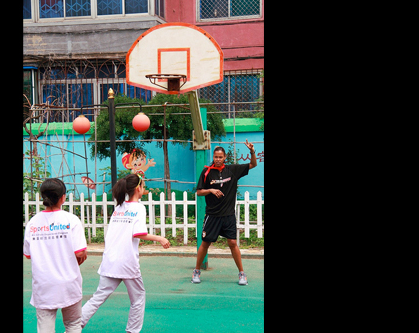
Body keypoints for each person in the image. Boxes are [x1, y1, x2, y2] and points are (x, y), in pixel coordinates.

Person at [81, 174, 170, 333]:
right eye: (143, 186)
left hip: (111, 260)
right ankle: (132, 331)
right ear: (138, 188)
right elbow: (138, 234)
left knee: (97, 298)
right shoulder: (139, 208)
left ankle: (74, 328)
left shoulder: (119, 208)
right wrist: (160, 238)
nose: (144, 189)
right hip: (127, 262)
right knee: (138, 299)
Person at [23, 178, 88, 333]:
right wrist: (82, 255)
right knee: (73, 324)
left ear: (42, 197)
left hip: (44, 285)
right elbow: (80, 252)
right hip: (69, 283)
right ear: (63, 197)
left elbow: (28, 255)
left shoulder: (33, 223)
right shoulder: (71, 220)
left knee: (45, 328)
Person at [192, 141, 258, 285]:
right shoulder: (206, 172)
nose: (218, 159)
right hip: (212, 215)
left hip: (228, 215)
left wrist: (252, 151)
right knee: (205, 243)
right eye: (216, 157)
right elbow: (198, 192)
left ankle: (242, 273)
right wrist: (210, 190)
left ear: (225, 157)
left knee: (233, 242)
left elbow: (253, 165)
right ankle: (196, 271)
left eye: (220, 157)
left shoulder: (232, 170)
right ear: (213, 157)